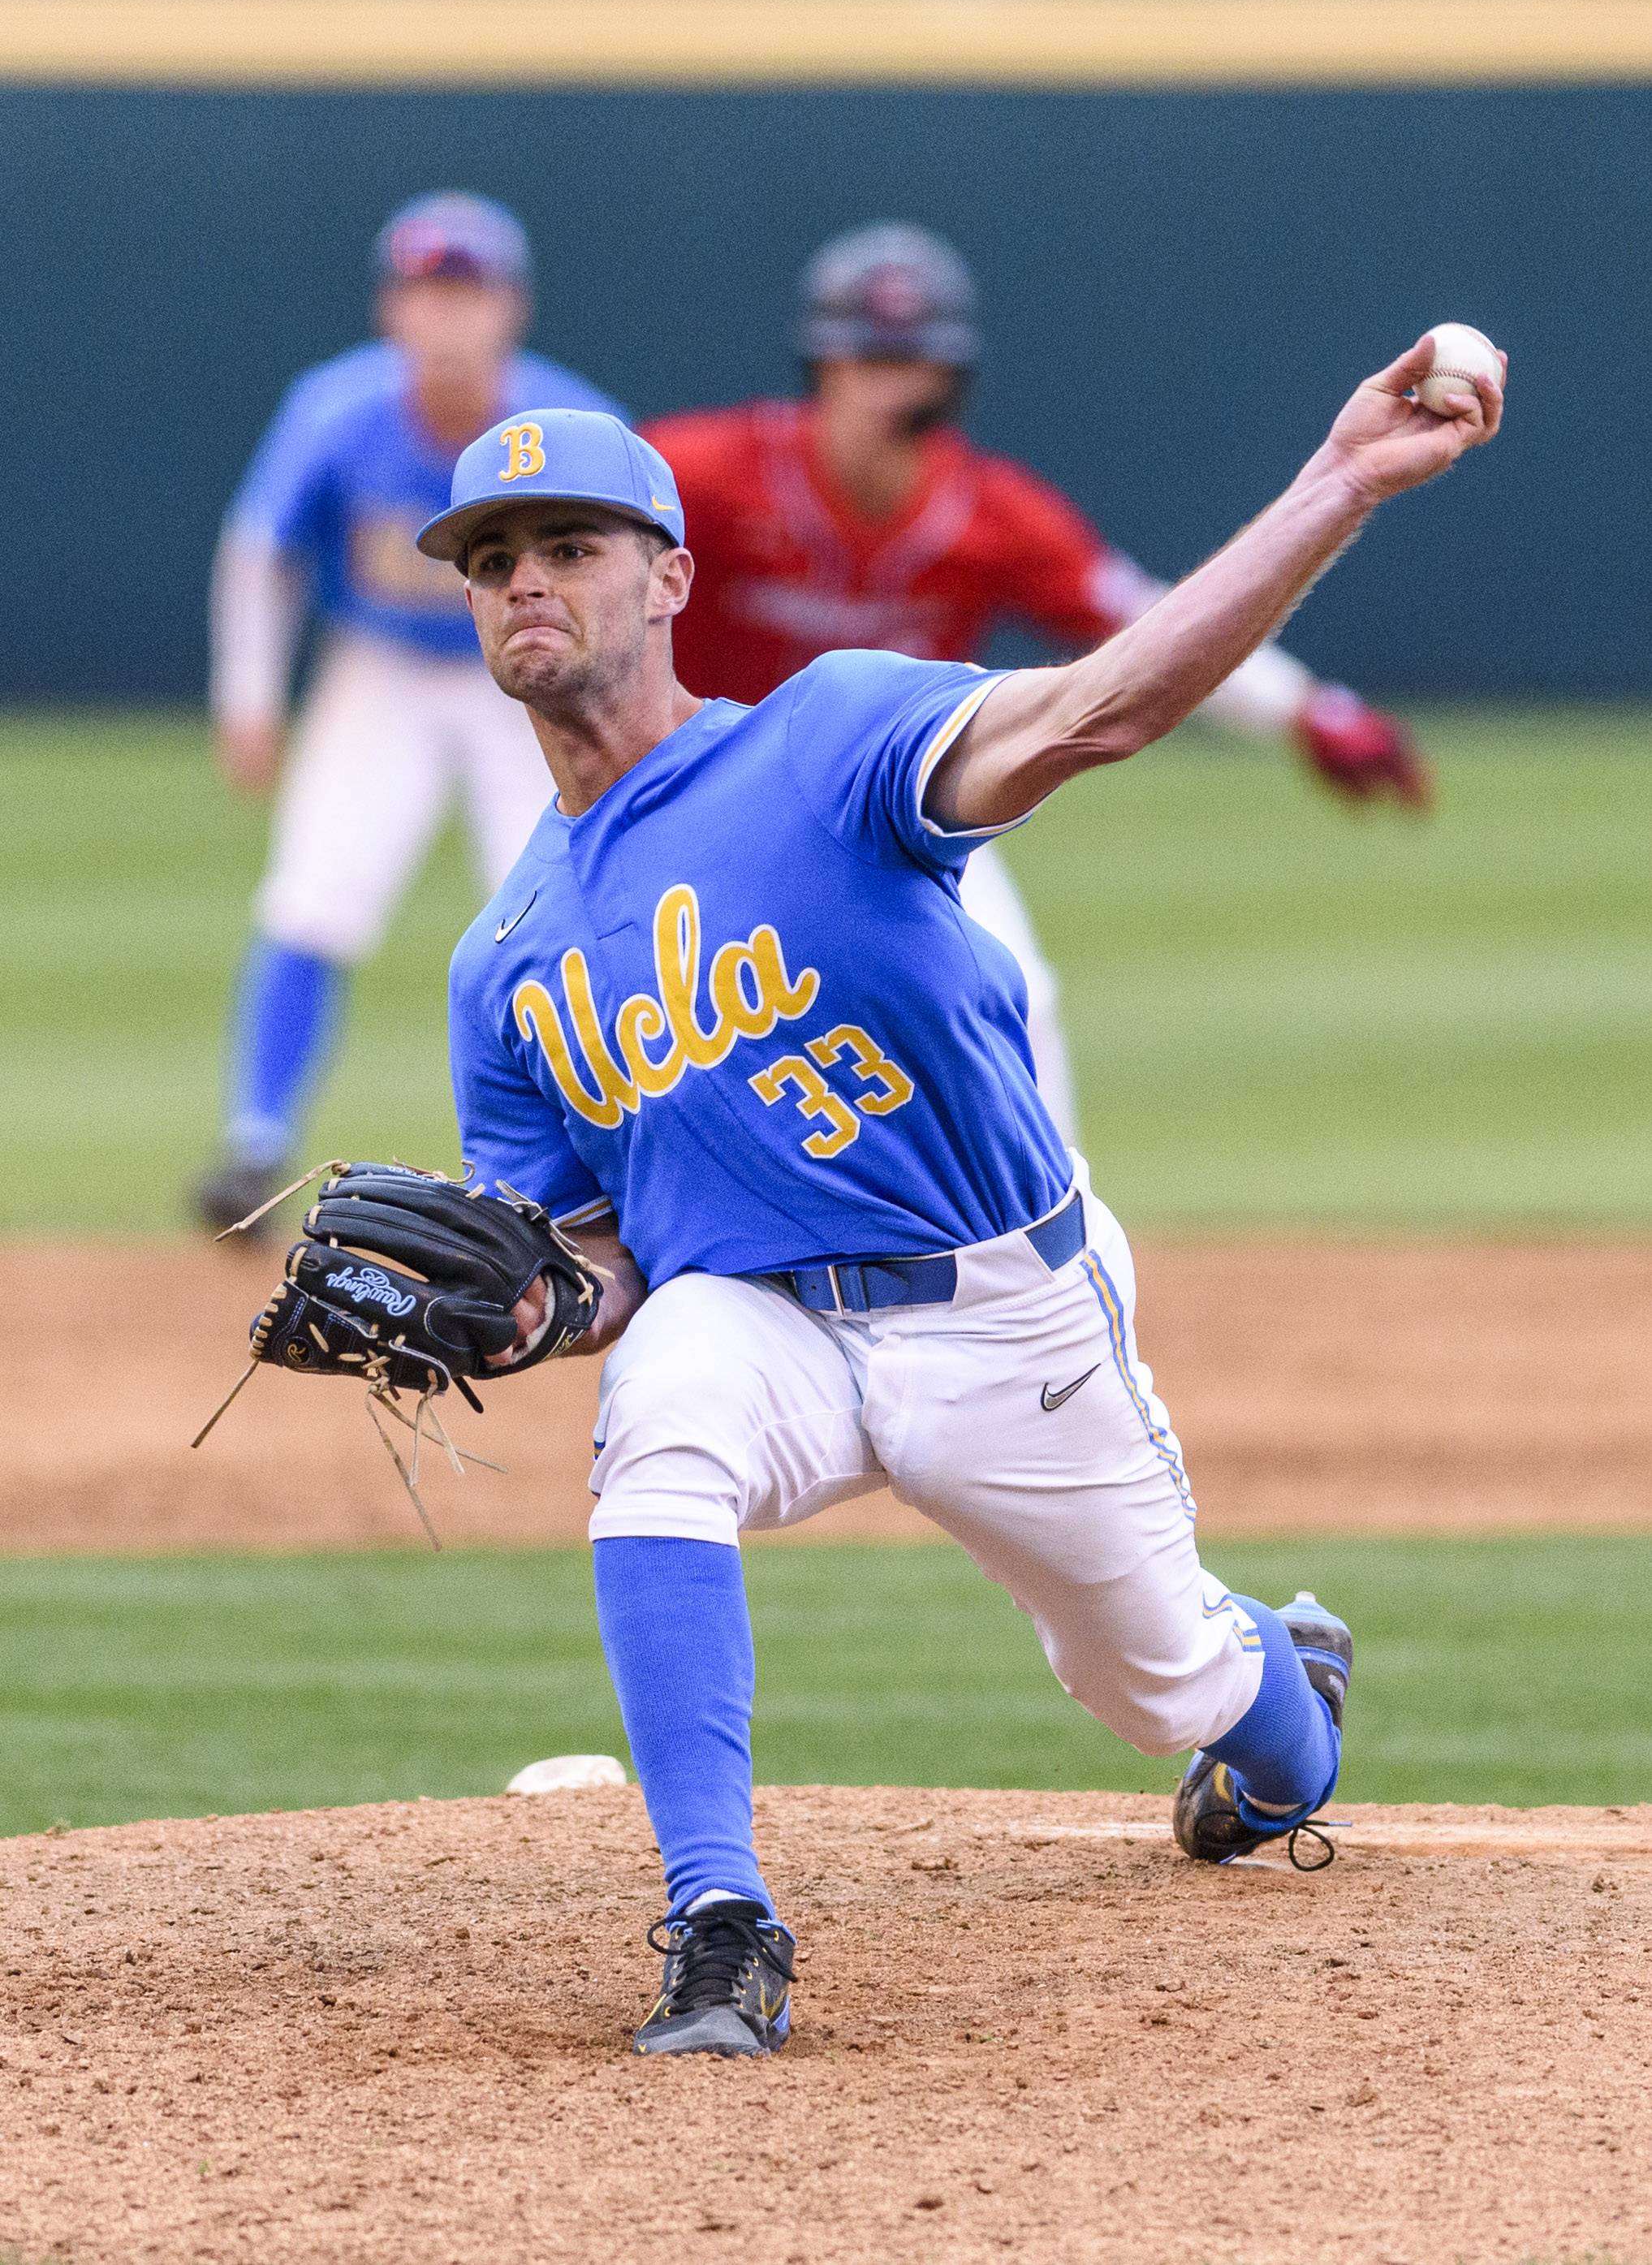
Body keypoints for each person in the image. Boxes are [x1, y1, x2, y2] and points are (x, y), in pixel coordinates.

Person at [419, 334, 1500, 2057]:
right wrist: (531, 1302)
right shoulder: (505, 955)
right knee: (660, 1423)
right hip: (758, 1312)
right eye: (489, 558)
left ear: (673, 575)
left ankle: (1285, 1681)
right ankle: (720, 1919)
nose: (523, 582)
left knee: (1171, 1689)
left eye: (567, 546)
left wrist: (1343, 480)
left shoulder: (835, 738)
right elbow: (584, 1250)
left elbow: (1107, 701)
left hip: (1003, 1311)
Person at [645, 223, 1430, 1138]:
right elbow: (572, 525)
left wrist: (1306, 709)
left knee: (1018, 998)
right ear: (819, 362)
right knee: (683, 1040)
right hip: (716, 796)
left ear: (948, 377)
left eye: (910, 360)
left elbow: (1150, 623)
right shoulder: (704, 473)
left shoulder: (989, 511)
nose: (884, 381)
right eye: (862, 357)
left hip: (891, 800)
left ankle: (1058, 1249)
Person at [194, 191, 623, 1232]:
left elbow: (631, 574)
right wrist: (249, 696)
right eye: (428, 292)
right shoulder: (336, 409)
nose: (448, 317)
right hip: (380, 669)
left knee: (563, 920)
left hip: (523, 685)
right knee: (313, 895)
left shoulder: (566, 425)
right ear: (393, 309)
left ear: (510, 309)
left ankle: (602, 1164)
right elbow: (261, 553)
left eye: (468, 293)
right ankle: (255, 1142)